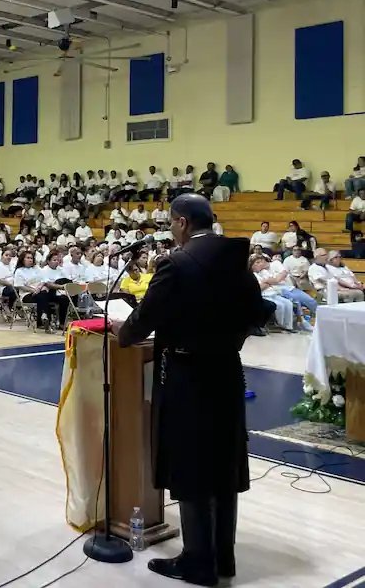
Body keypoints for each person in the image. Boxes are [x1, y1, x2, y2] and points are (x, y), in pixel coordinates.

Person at [111, 194, 261, 586]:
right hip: (227, 371)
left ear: (179, 222)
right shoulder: (239, 262)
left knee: (192, 466)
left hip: (187, 374)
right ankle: (222, 558)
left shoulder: (175, 263)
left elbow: (143, 320)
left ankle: (198, 562)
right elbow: (256, 314)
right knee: (223, 466)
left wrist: (121, 331)